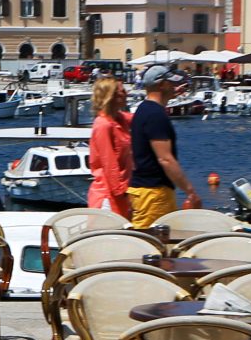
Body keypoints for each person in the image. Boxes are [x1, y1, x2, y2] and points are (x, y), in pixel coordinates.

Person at [127, 66, 202, 230]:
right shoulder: (155, 115)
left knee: (160, 247)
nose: (174, 87)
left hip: (143, 191)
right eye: (170, 83)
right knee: (153, 247)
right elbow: (165, 159)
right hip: (153, 194)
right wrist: (190, 191)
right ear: (161, 84)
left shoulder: (143, 109)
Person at [85, 76, 133, 217]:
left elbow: (143, 117)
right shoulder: (103, 124)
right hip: (109, 197)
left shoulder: (120, 118)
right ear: (110, 96)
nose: (126, 94)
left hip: (122, 194)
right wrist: (121, 193)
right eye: (121, 91)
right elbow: (109, 164)